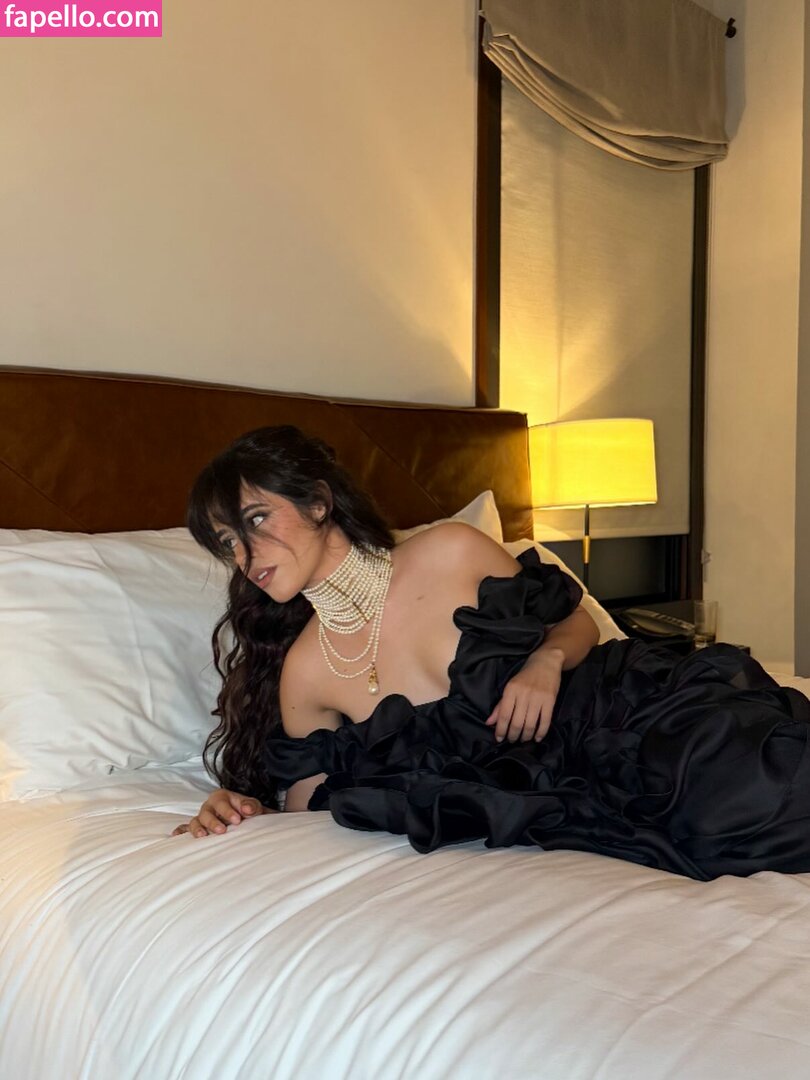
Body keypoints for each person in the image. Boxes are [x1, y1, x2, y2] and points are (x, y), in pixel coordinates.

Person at [173, 425, 810, 881]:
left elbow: (578, 622)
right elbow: (308, 808)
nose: (243, 554)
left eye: (256, 519)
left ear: (318, 501)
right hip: (561, 796)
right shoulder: (305, 673)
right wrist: (238, 806)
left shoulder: (450, 550)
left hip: (622, 718)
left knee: (767, 784)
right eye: (227, 541)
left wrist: (545, 663)